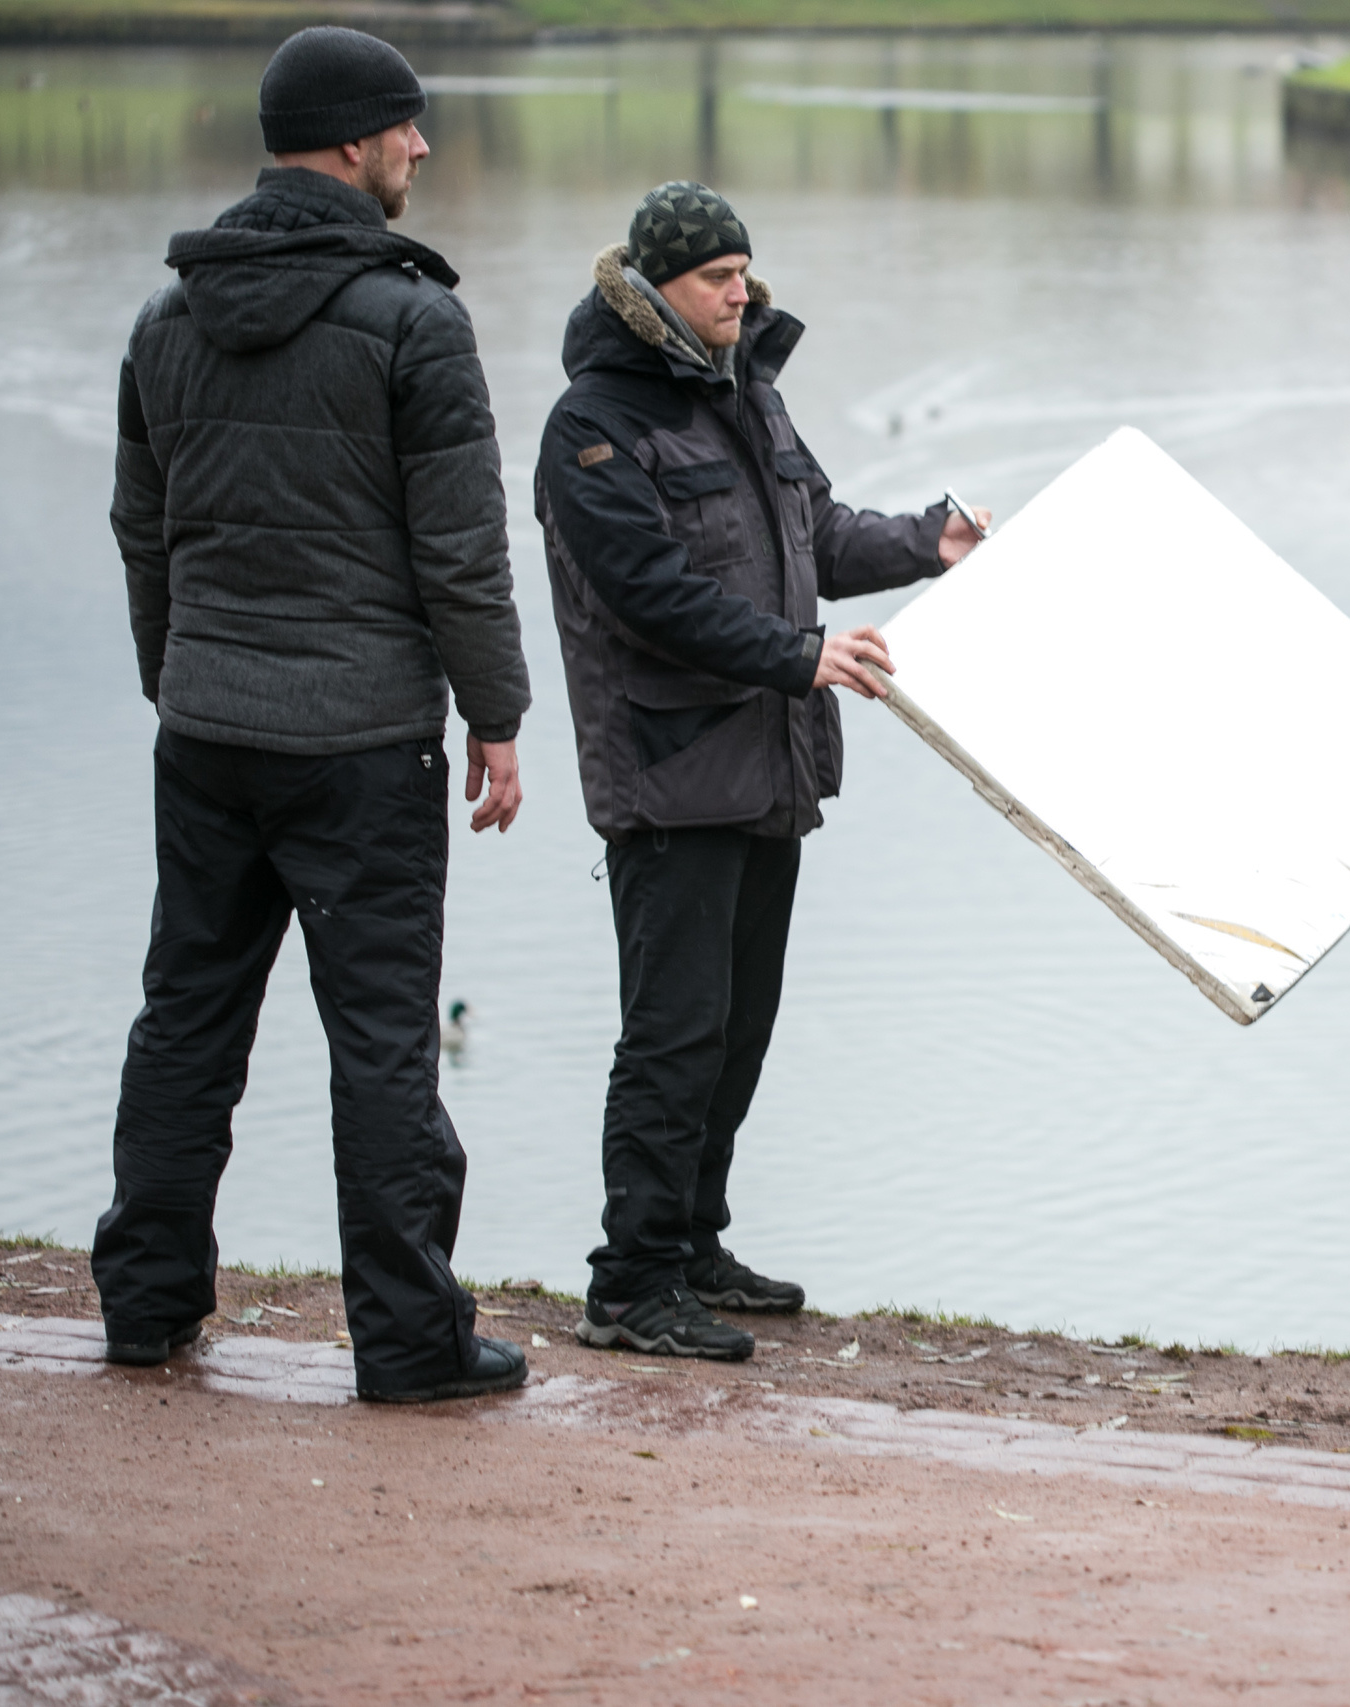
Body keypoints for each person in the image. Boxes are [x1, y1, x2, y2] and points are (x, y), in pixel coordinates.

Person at [97, 27, 532, 1403]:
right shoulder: (415, 320)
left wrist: (180, 676)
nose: (420, 148)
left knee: (185, 1020)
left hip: (209, 731)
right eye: (405, 128)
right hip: (358, 750)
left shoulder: (169, 317)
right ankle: (409, 1342)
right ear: (350, 141)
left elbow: (142, 531)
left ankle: (147, 1305)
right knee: (384, 1047)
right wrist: (498, 714)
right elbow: (461, 551)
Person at [536, 183, 987, 1362]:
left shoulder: (748, 396)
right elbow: (650, 599)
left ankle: (690, 1245)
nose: (741, 293)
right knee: (673, 1034)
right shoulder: (594, 427)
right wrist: (799, 657)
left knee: (737, 1030)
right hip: (671, 776)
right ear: (652, 293)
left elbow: (817, 535)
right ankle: (628, 1282)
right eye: (715, 279)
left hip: (767, 771)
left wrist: (927, 542)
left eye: (745, 271)